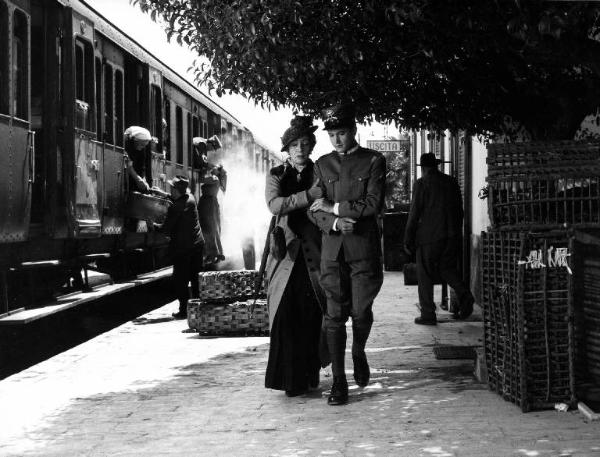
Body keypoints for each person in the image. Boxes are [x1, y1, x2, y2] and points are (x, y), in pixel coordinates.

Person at [308, 103, 386, 406]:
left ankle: (358, 351)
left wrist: (335, 207)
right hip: (332, 251)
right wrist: (336, 221)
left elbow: (373, 204)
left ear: (353, 131)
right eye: (332, 134)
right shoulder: (322, 165)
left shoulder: (373, 161)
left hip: (363, 249)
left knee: (361, 312)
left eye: (342, 133)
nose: (337, 140)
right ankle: (339, 381)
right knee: (334, 316)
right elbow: (315, 211)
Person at [264, 115, 329, 397]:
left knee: (312, 314)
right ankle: (290, 380)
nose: (300, 149)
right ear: (287, 149)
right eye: (295, 145)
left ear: (311, 146)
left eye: (305, 143)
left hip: (315, 253)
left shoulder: (322, 173)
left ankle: (309, 373)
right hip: (285, 258)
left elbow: (326, 203)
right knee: (285, 315)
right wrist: (307, 196)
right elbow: (274, 204)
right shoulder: (276, 174)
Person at [403, 152, 475, 325]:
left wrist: (408, 239)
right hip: (451, 235)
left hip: (429, 237)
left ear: (423, 168)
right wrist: (455, 231)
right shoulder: (451, 182)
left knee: (425, 274)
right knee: (448, 269)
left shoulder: (422, 184)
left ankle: (428, 314)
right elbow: (460, 211)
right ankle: (466, 297)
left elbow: (414, 214)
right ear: (436, 165)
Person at [154, 175, 204, 319]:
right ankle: (198, 309)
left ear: (177, 190)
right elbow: (177, 198)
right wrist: (162, 194)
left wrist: (153, 225)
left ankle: (184, 311)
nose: (170, 190)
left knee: (180, 280)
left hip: (183, 248)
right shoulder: (191, 198)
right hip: (197, 245)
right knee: (195, 278)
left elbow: (165, 229)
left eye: (172, 188)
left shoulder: (175, 208)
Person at [194, 136, 227, 265]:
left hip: (208, 204)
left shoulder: (214, 178)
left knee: (209, 228)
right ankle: (216, 253)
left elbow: (201, 179)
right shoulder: (216, 178)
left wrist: (205, 169)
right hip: (210, 204)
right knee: (213, 228)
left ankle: (212, 253)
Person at [124, 126, 153, 194]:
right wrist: (138, 180)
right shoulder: (127, 147)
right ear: (136, 141)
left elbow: (142, 167)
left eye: (145, 145)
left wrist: (144, 181)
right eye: (142, 144)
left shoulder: (142, 150)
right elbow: (128, 165)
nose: (143, 147)